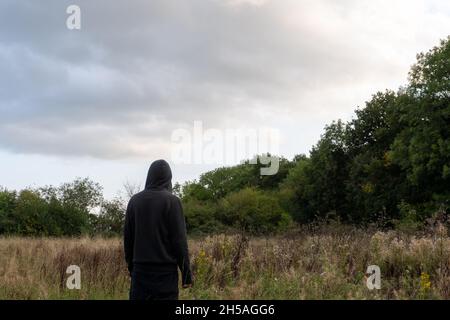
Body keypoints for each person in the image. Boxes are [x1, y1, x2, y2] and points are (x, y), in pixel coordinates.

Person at [124, 159, 192, 300]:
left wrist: (132, 269)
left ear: (149, 176)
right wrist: (186, 276)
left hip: (140, 274)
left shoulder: (134, 201)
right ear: (169, 178)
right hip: (165, 276)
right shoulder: (172, 202)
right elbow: (179, 241)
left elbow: (128, 240)